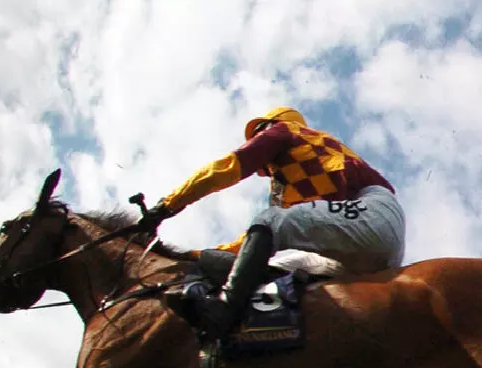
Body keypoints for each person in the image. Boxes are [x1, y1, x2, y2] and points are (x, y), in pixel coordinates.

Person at [147, 106, 406, 342]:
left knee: (268, 220)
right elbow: (250, 246)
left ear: (274, 125)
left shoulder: (287, 131)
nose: (254, 139)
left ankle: (223, 312)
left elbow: (227, 168)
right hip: (355, 254)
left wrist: (165, 206)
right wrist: (190, 256)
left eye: (259, 131)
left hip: (373, 212)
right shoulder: (289, 187)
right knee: (271, 267)